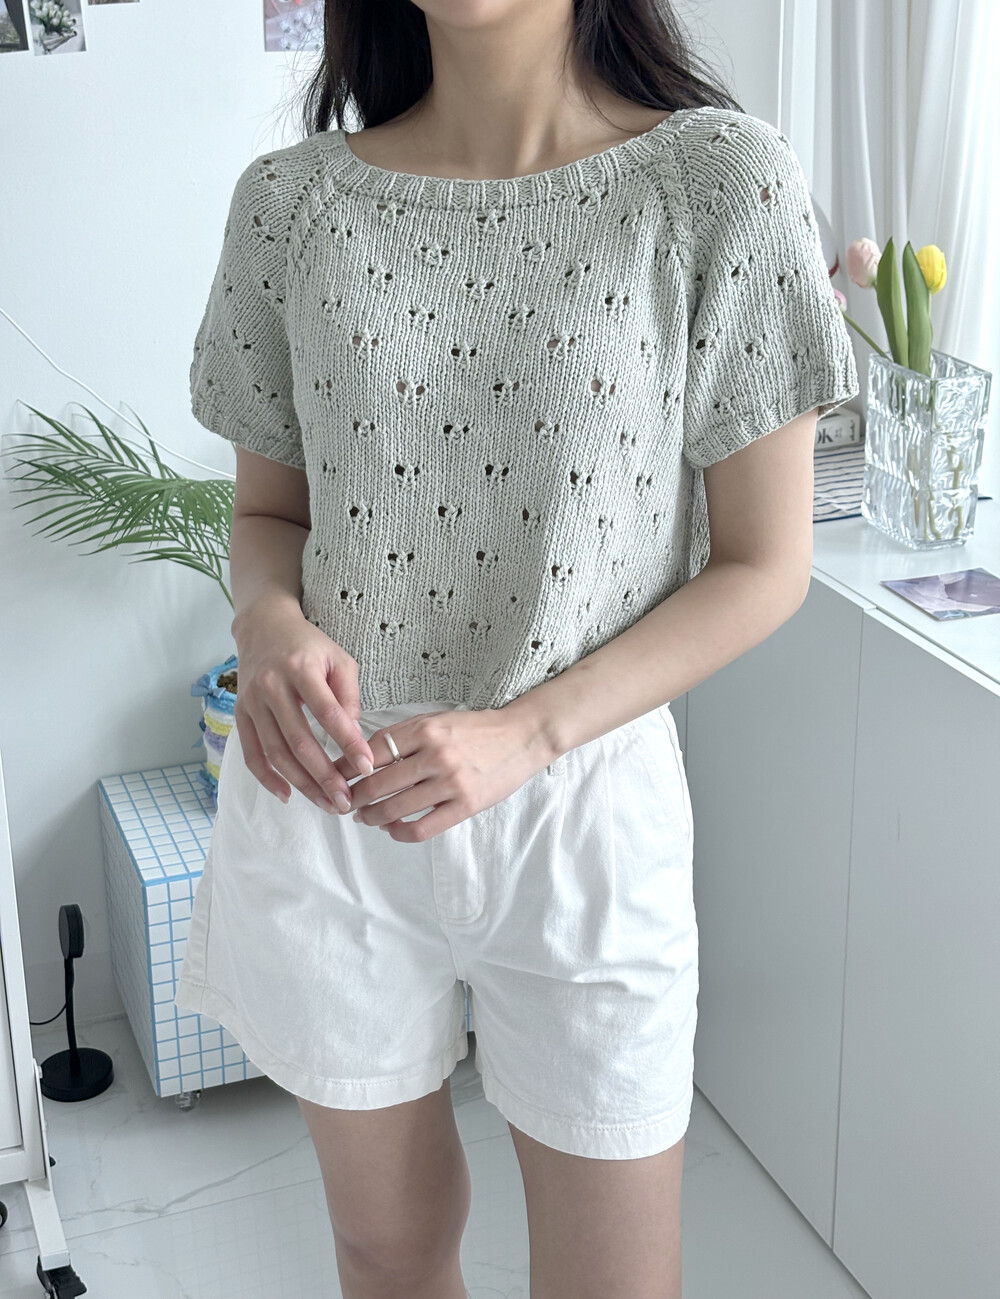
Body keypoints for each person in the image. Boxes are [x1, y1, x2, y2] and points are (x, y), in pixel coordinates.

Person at [173, 2, 859, 1296]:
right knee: (387, 1253)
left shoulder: (719, 182)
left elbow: (766, 565)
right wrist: (268, 627)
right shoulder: (291, 205)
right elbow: (268, 521)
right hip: (331, 796)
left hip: (584, 801)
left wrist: (528, 732)